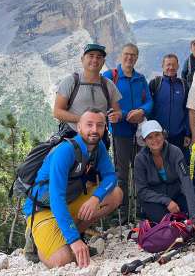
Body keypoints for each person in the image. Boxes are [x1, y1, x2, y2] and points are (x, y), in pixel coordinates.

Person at [23, 109, 123, 269]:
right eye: (89, 125)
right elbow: (56, 199)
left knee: (115, 194)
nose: (94, 130)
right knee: (62, 261)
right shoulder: (65, 151)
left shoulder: (99, 147)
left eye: (99, 125)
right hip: (43, 209)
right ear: (79, 127)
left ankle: (68, 236)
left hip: (70, 200)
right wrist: (74, 241)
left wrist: (95, 198)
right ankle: (38, 243)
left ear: (105, 128)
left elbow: (111, 177)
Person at [103, 43, 153, 223]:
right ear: (120, 55)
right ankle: (121, 216)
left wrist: (142, 112)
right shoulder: (110, 77)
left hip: (138, 133)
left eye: (133, 55)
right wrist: (124, 115)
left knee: (140, 172)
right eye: (127, 54)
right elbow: (105, 102)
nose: (129, 58)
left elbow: (149, 102)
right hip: (120, 133)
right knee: (121, 174)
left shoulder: (140, 79)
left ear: (137, 58)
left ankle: (141, 212)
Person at [133, 120, 195, 235]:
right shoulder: (140, 159)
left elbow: (186, 183)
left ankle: (187, 226)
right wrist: (166, 201)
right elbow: (142, 191)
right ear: (144, 141)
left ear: (163, 135)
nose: (155, 140)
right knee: (170, 225)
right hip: (154, 201)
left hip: (175, 194)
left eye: (157, 135)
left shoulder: (175, 152)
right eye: (149, 137)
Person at [53, 43, 122, 140]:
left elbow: (118, 111)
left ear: (103, 62)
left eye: (99, 57)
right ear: (82, 59)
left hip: (99, 138)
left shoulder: (108, 85)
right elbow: (57, 112)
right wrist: (82, 120)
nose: (95, 60)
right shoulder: (71, 81)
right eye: (91, 56)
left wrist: (117, 116)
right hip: (72, 136)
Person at [149, 54, 190, 161]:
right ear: (162, 66)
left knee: (179, 165)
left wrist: (187, 133)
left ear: (178, 66)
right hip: (158, 136)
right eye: (168, 65)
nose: (171, 67)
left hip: (179, 136)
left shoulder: (184, 85)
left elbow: (187, 110)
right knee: (159, 166)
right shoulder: (155, 84)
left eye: (173, 65)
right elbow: (149, 109)